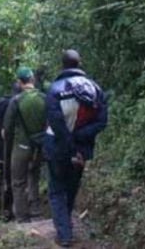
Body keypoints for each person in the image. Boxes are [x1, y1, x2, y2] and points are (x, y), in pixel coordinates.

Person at [44, 50, 108, 247]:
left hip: (58, 148)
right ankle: (66, 226)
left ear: (62, 65)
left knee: (56, 190)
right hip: (81, 150)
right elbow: (102, 122)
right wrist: (79, 140)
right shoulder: (95, 89)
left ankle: (64, 234)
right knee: (71, 187)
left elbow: (56, 124)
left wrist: (69, 143)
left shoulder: (55, 90)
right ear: (79, 64)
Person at [3, 66, 46, 222]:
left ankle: (22, 216)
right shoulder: (44, 98)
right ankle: (36, 210)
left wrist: (6, 140)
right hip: (39, 146)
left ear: (19, 82)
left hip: (21, 146)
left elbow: (7, 128)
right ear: (33, 80)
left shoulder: (16, 100)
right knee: (34, 175)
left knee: (18, 182)